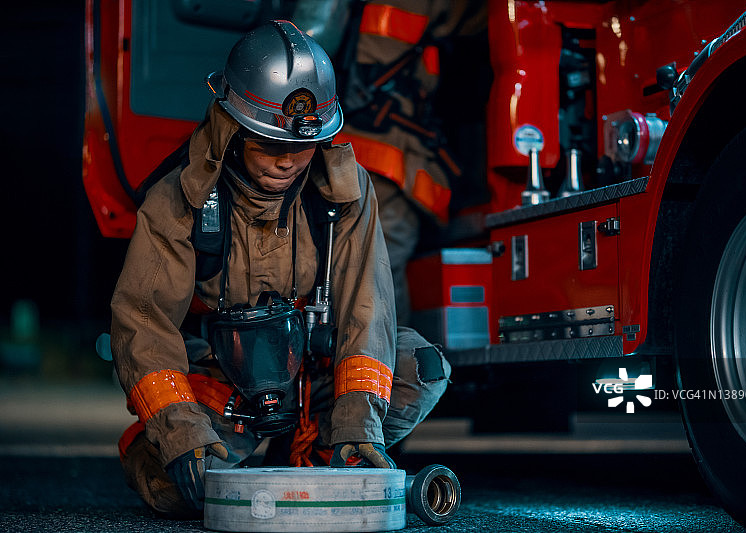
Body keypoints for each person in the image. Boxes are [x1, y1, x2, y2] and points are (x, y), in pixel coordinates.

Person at [110, 21, 450, 517]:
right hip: (226, 385)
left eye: (301, 146)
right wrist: (181, 433)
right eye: (270, 144)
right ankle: (163, 449)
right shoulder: (180, 198)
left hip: (312, 377)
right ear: (234, 128)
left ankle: (319, 459)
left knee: (421, 367)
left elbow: (367, 311)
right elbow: (144, 321)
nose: (287, 162)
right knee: (180, 488)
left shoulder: (345, 193)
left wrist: (358, 424)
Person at [334, 0, 487, 326]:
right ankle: (390, 356)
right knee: (381, 266)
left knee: (353, 264)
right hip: (386, 157)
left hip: (343, 147)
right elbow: (483, 17)